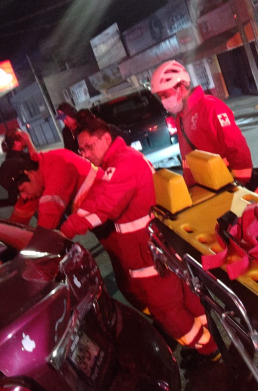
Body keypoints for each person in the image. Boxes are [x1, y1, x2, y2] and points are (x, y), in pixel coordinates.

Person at [60, 117, 220, 363]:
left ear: (106, 139)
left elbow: (104, 204)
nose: (86, 154)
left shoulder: (122, 165)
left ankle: (208, 350)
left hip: (146, 253)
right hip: (158, 246)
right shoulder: (125, 158)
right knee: (188, 299)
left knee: (166, 311)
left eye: (89, 147)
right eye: (82, 150)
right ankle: (212, 343)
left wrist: (65, 231)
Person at [150, 60, 258, 198]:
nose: (163, 101)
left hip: (225, 188)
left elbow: (236, 147)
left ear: (181, 88)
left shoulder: (211, 108)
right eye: (160, 97)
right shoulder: (181, 117)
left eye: (165, 95)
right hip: (204, 191)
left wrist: (239, 187)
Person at [0, 149, 99, 229]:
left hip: (106, 210)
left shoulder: (57, 167)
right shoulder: (37, 178)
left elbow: (47, 221)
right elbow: (17, 220)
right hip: (95, 215)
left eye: (22, 190)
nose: (23, 196)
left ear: (29, 174)